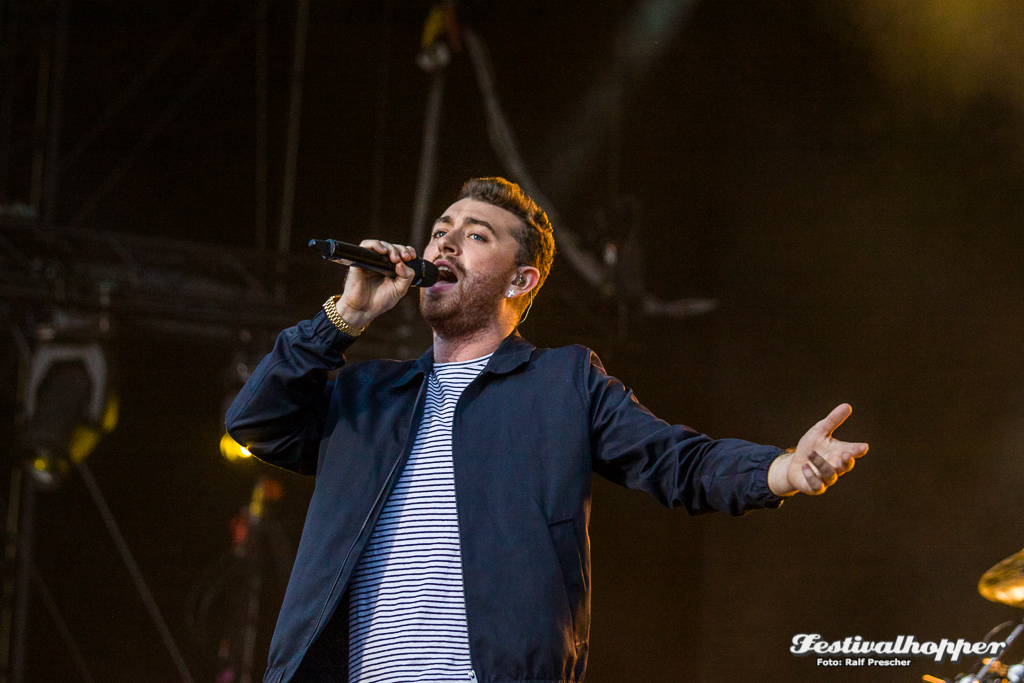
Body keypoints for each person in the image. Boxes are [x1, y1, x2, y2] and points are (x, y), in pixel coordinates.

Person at [227, 177, 868, 683]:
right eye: (439, 231)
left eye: (475, 236)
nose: (443, 244)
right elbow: (256, 420)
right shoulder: (368, 394)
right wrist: (345, 316)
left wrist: (785, 468)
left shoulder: (562, 384)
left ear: (521, 278)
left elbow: (679, 462)